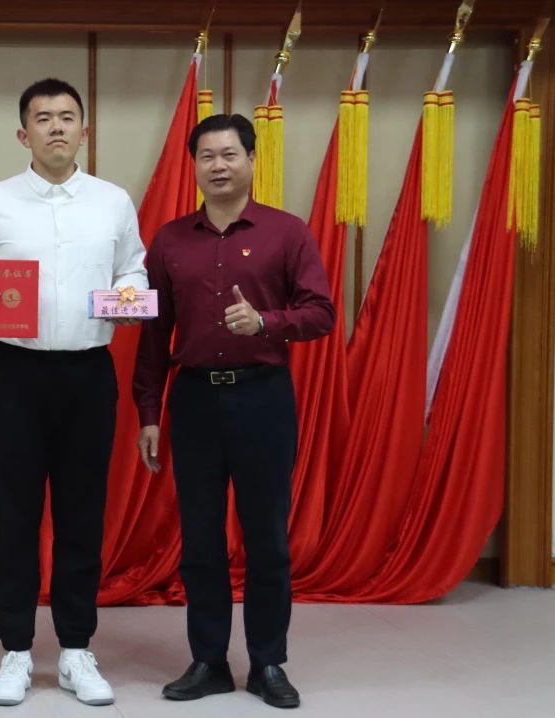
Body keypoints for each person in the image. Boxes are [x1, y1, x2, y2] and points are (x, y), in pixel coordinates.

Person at [0, 78, 146, 708]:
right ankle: (14, 650)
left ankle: (77, 650)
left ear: (84, 131)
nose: (56, 127)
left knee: (82, 515)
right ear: (23, 133)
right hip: (16, 374)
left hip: (89, 374)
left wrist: (130, 293)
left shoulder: (112, 201)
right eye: (43, 118)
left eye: (67, 117)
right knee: (15, 517)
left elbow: (133, 266)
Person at [133, 113, 336, 710]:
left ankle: (269, 662)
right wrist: (149, 411)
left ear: (251, 159)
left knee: (267, 537)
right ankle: (209, 661)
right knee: (199, 539)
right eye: (207, 156)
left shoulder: (287, 233)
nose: (218, 166)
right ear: (194, 167)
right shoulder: (170, 240)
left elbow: (321, 312)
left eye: (229, 154)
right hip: (194, 399)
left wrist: (266, 322)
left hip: (262, 398)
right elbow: (153, 335)